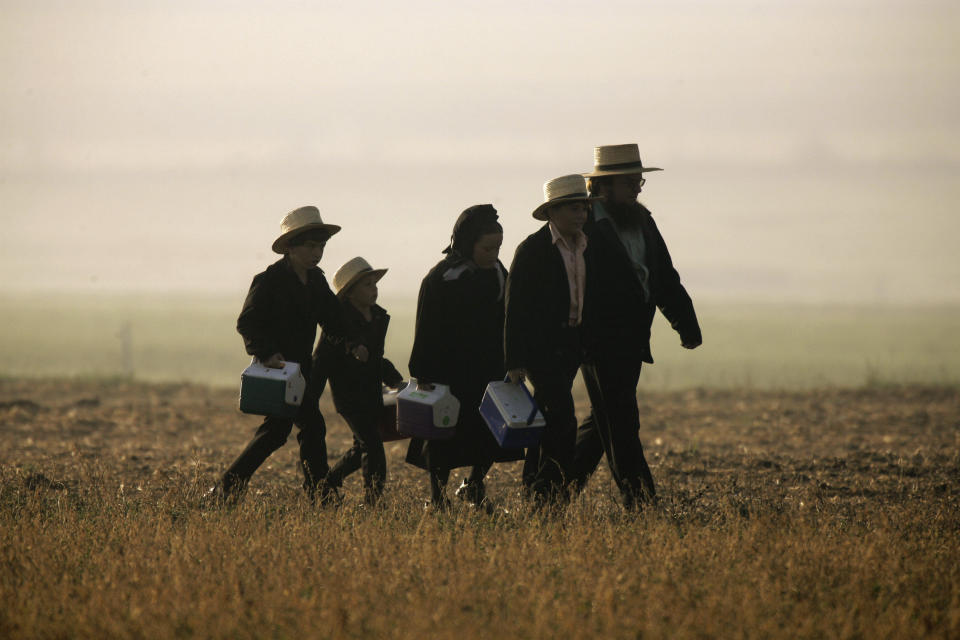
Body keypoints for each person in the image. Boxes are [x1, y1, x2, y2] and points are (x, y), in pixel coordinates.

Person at [573, 144, 702, 509]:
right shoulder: (584, 224)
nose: (638, 188)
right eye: (630, 182)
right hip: (598, 340)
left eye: (639, 181)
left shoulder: (643, 220)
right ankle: (642, 503)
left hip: (632, 340)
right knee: (622, 420)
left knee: (603, 422)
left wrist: (685, 323)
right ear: (603, 186)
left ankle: (554, 492)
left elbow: (662, 276)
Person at [213, 205, 347, 504]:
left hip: (301, 373)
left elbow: (334, 320)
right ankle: (317, 493)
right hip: (277, 371)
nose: (317, 253)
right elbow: (247, 322)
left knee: (289, 430)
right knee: (294, 429)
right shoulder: (269, 280)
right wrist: (266, 354)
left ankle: (231, 487)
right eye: (311, 246)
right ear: (290, 247)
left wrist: (356, 334)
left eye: (321, 246)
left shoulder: (316, 280)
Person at [405, 204, 522, 510]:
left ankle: (475, 484)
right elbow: (426, 328)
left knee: (490, 434)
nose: (493, 253)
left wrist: (513, 360)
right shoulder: (441, 279)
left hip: (488, 371)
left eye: (498, 247)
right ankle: (437, 498)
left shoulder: (499, 274)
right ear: (467, 244)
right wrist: (423, 372)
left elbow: (510, 320)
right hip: (450, 374)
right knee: (442, 436)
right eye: (487, 247)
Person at [505, 175, 594, 509]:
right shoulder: (532, 250)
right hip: (542, 350)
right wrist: (513, 360)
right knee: (563, 422)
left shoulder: (586, 244)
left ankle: (534, 489)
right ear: (552, 212)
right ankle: (548, 497)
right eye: (574, 208)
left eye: (584, 207)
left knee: (547, 421)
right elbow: (514, 308)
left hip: (573, 346)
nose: (581, 214)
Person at [314, 257, 404, 505]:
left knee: (359, 450)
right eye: (367, 285)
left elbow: (377, 358)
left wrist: (395, 380)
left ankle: (326, 484)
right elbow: (321, 358)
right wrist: (310, 392)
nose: (374, 289)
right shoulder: (338, 321)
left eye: (374, 283)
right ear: (350, 293)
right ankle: (372, 502)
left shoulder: (377, 317)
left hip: (372, 391)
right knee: (373, 446)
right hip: (348, 395)